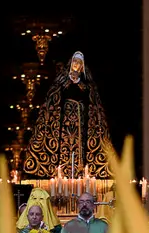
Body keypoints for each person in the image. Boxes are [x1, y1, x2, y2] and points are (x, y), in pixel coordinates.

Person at [24, 51, 113, 179]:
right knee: (63, 147)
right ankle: (60, 173)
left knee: (80, 147)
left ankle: (81, 172)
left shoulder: (88, 84)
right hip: (63, 123)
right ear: (71, 63)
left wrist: (80, 85)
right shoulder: (61, 81)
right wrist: (65, 86)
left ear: (82, 66)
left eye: (79, 62)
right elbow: (52, 98)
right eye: (75, 61)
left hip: (81, 123)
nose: (76, 64)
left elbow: (93, 103)